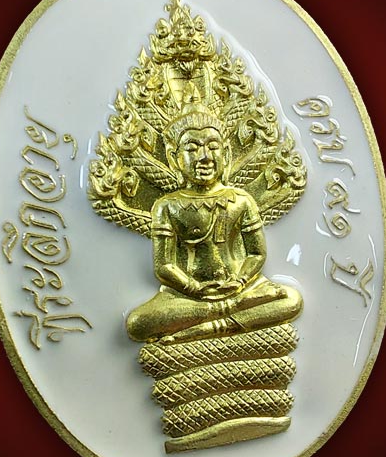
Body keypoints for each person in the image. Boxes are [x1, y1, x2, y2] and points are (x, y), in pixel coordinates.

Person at [126, 103, 302, 344]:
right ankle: (223, 316)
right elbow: (164, 266)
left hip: (242, 289)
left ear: (226, 154)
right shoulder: (167, 206)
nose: (205, 157)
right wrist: (194, 288)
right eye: (192, 148)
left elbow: (256, 254)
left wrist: (240, 281)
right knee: (137, 323)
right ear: (174, 158)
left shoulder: (241, 200)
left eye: (213, 147)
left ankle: (201, 329)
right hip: (187, 297)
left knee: (291, 299)